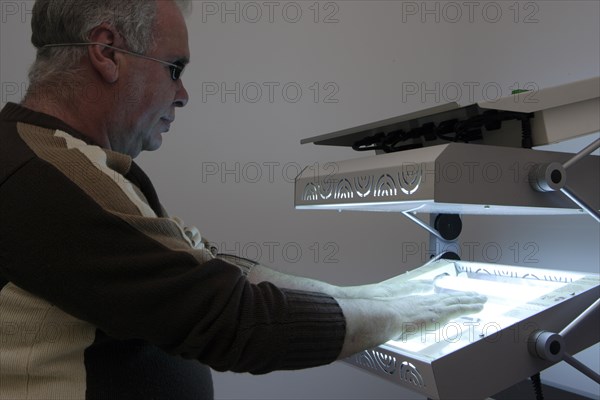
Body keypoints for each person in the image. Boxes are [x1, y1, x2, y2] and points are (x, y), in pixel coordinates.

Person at [0, 1, 486, 399]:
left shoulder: (61, 161)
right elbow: (233, 320)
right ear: (106, 52)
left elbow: (207, 266)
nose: (183, 94)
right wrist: (400, 315)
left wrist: (377, 295)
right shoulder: (45, 175)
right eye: (175, 68)